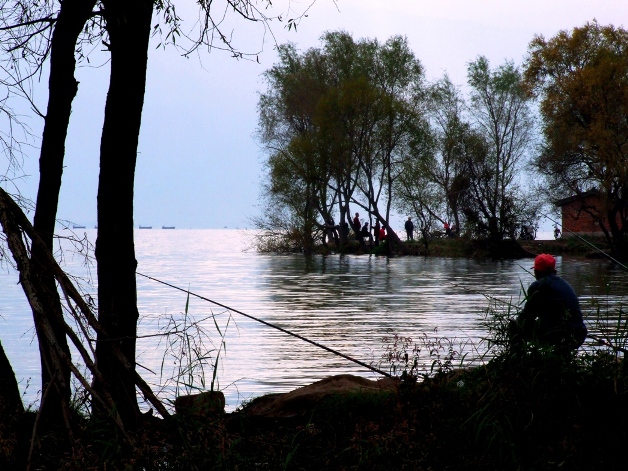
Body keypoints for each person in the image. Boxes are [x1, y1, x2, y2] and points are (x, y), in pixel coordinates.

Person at [510, 254, 587, 353]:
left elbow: (527, 316)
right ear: (554, 271)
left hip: (558, 334)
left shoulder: (538, 286)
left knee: (515, 327)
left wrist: (516, 324)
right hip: (578, 333)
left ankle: (518, 360)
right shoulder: (565, 284)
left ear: (536, 271)